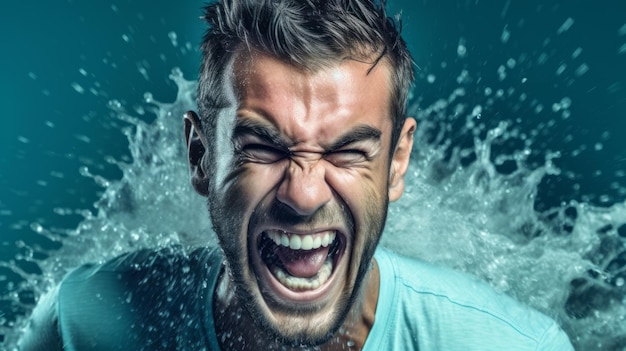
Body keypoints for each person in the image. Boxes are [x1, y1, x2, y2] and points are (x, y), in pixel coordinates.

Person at [19, 0, 574, 350]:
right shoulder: (81, 324)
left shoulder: (515, 345)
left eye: (348, 152)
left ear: (397, 163)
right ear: (200, 156)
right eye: (262, 147)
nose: (304, 194)